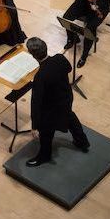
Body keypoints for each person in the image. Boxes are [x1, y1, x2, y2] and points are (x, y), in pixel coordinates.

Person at [25, 37, 89, 165]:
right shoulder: (60, 58)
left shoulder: (40, 76)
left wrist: (35, 126)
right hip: (65, 98)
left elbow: (36, 103)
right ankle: (82, 142)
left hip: (51, 107)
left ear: (33, 55)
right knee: (70, 117)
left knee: (46, 132)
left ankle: (44, 156)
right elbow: (69, 68)